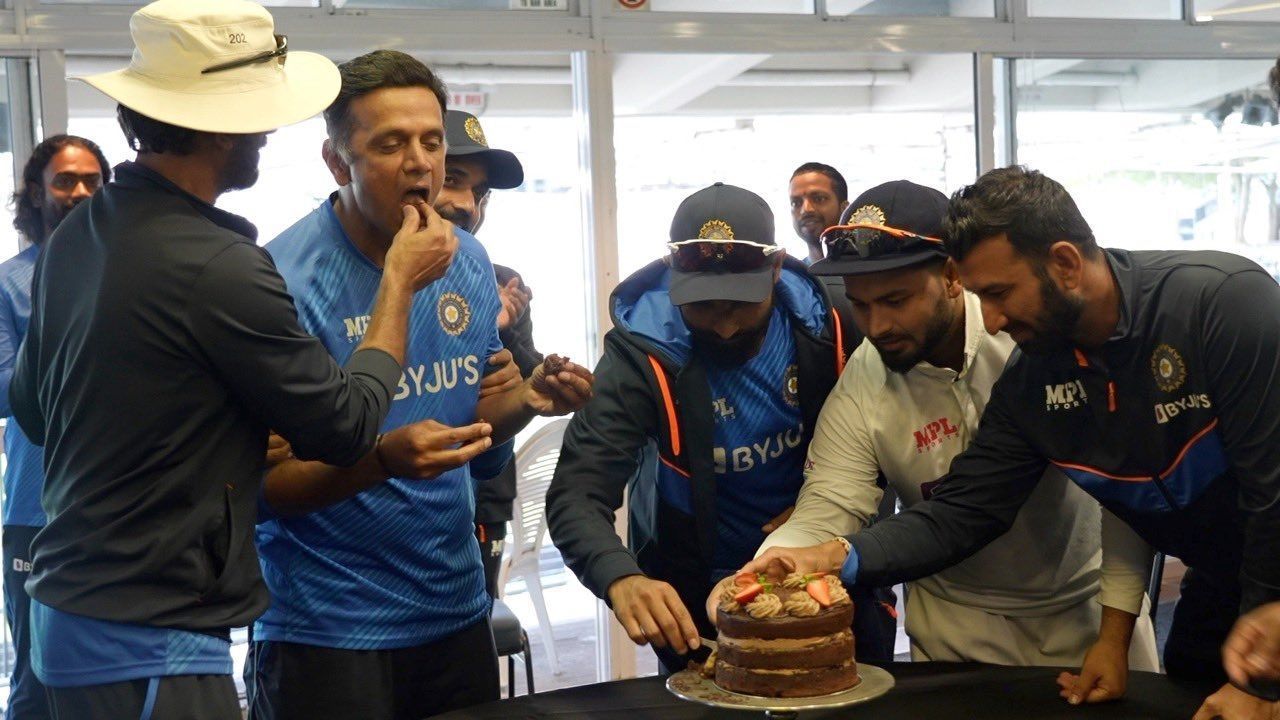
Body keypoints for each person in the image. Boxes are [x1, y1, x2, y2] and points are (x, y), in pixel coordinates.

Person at [7, 1, 458, 717]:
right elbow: (346, 427)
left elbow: (35, 407)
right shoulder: (218, 263)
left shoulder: (82, 232)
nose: (270, 130)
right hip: (152, 632)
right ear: (220, 127)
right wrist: (399, 280)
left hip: (65, 615)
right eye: (259, 112)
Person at [744, 166, 1280, 719]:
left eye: (998, 294)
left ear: (1066, 265)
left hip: (1216, 595)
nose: (993, 319)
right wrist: (832, 556)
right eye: (862, 305)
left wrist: (1262, 678)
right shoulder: (1035, 372)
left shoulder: (1223, 304)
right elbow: (967, 509)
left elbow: (1271, 489)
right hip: (1213, 594)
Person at [249, 50, 594, 720]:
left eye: (431, 141)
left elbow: (478, 446)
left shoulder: (465, 258)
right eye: (390, 144)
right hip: (327, 629)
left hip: (454, 611)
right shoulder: (282, 280)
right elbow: (266, 491)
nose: (420, 162)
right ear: (335, 161)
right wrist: (380, 462)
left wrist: (526, 400)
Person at [715, 179, 1158, 675]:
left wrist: (1118, 620)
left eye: (896, 300)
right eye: (861, 305)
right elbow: (829, 504)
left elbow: (1125, 481)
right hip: (954, 625)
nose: (877, 326)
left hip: (1085, 609)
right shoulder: (863, 380)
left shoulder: (1026, 337)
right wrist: (765, 567)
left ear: (950, 276)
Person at [547, 182, 893, 675]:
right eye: (704, 306)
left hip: (826, 575)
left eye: (740, 305)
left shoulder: (834, 322)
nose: (725, 326)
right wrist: (620, 576)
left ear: (774, 270)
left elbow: (891, 441)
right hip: (696, 587)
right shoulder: (640, 354)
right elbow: (576, 493)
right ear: (674, 279)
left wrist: (830, 505)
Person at [0, 134, 110, 720]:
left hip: (119, 505)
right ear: (37, 194)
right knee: (37, 683)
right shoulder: (9, 284)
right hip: (36, 509)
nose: (81, 193)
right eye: (66, 181)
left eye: (93, 181)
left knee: (113, 676)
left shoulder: (128, 275)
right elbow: (5, 391)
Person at [435, 108, 543, 598]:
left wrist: (504, 330)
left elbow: (529, 379)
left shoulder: (496, 278)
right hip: (380, 526)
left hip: (484, 496)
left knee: (477, 620)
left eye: (480, 194)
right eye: (453, 179)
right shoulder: (359, 281)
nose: (468, 205)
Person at [788, 162, 848, 265]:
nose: (806, 209)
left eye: (819, 199)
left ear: (845, 209)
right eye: (796, 203)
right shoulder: (788, 278)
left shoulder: (871, 273)